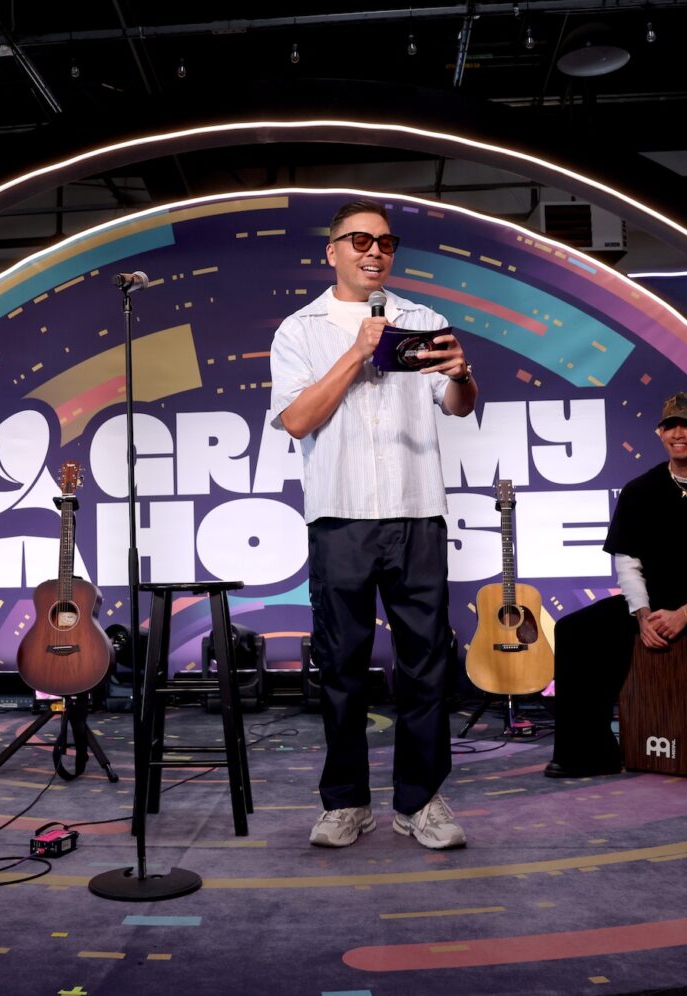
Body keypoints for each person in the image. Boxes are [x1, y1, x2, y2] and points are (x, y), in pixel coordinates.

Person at [269, 199, 478, 849]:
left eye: (386, 243)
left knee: (426, 665)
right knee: (342, 666)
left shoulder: (425, 320)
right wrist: (357, 353)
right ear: (331, 252)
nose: (374, 251)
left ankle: (420, 802)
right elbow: (299, 420)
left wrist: (462, 374)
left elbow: (457, 404)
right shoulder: (299, 331)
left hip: (417, 512)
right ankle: (345, 802)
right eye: (359, 240)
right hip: (341, 515)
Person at [545, 392, 687, 799]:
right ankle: (588, 752)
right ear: (659, 433)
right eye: (670, 425)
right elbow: (628, 561)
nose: (678, 433)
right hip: (652, 601)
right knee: (574, 631)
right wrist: (642, 613)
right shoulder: (639, 490)